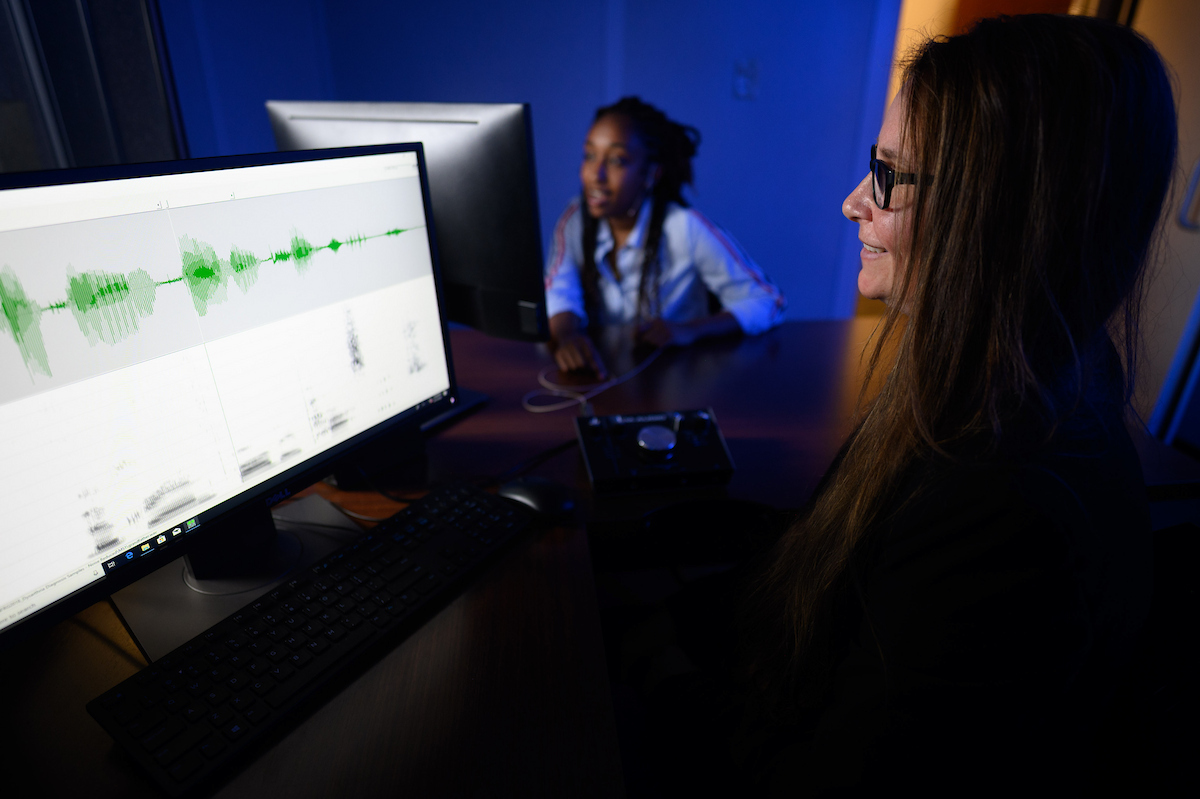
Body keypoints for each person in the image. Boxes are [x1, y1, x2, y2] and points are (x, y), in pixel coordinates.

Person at [611, 14, 1178, 796]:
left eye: (887, 173)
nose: (852, 204)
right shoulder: (1020, 370)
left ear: (997, 211)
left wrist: (669, 674)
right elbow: (834, 562)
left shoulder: (1002, 504)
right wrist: (684, 617)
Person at [544, 97, 785, 378]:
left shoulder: (686, 228)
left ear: (650, 174)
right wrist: (567, 335)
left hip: (674, 381)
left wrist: (689, 330)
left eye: (616, 161)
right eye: (589, 156)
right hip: (603, 377)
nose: (595, 175)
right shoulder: (575, 218)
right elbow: (559, 290)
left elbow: (769, 301)